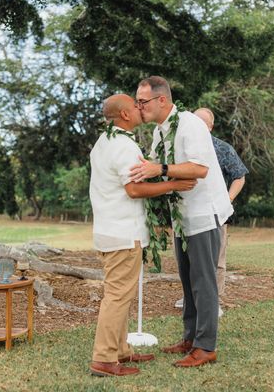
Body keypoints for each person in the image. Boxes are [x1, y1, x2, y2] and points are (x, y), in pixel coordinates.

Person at [89, 94, 196, 377]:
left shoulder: (104, 142)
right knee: (117, 296)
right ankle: (103, 359)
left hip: (108, 230)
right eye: (135, 106)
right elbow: (134, 189)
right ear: (125, 115)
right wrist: (173, 184)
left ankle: (120, 350)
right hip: (122, 234)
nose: (140, 109)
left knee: (119, 294)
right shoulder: (123, 145)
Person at [130, 77, 233, 368]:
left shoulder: (190, 124)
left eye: (143, 101)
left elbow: (199, 169)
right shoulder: (159, 132)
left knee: (204, 283)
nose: (139, 106)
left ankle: (205, 346)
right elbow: (152, 165)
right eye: (137, 101)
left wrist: (160, 168)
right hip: (183, 218)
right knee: (187, 283)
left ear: (162, 100)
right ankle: (190, 337)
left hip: (204, 214)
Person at [193, 107, 248, 316]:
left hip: (216, 214)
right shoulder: (183, 148)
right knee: (191, 259)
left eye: (202, 123)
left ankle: (213, 301)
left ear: (210, 126)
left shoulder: (222, 149)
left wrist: (228, 198)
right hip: (191, 214)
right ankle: (192, 297)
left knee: (217, 259)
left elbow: (239, 176)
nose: (197, 126)